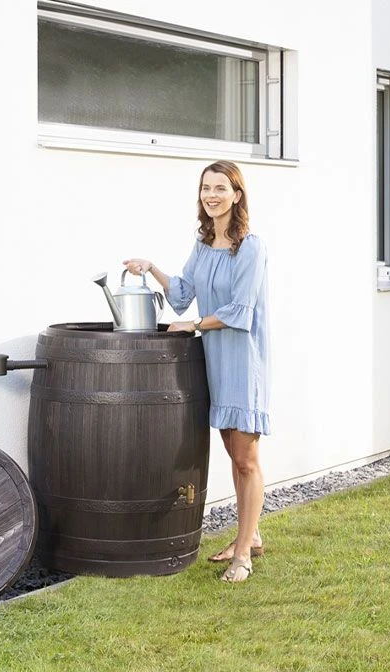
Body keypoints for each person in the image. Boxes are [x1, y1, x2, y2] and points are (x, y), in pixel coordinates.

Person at [124, 160, 269, 583]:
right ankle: (251, 535)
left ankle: (243, 553)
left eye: (221, 188)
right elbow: (184, 294)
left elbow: (240, 312)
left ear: (237, 195)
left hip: (243, 362)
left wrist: (195, 325)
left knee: (246, 459)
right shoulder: (204, 244)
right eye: (206, 188)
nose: (212, 195)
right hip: (215, 361)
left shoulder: (251, 247)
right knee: (233, 454)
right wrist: (152, 268)